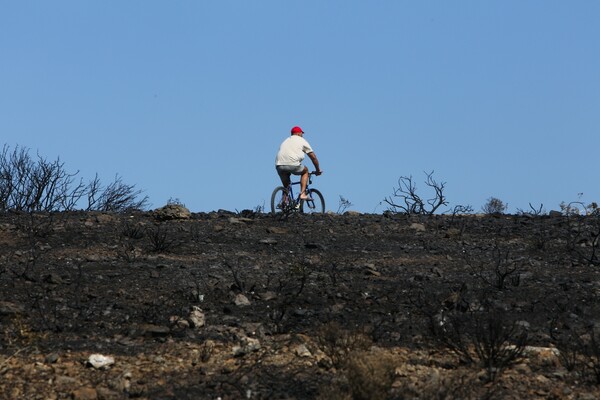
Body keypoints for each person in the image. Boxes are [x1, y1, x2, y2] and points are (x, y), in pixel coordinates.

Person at [275, 126, 322, 201]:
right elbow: (313, 157)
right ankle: (303, 194)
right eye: (302, 133)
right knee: (305, 171)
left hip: (279, 165)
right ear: (298, 133)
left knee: (286, 187)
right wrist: (318, 170)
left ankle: (283, 202)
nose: (302, 135)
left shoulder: (286, 140)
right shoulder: (301, 140)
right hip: (292, 164)